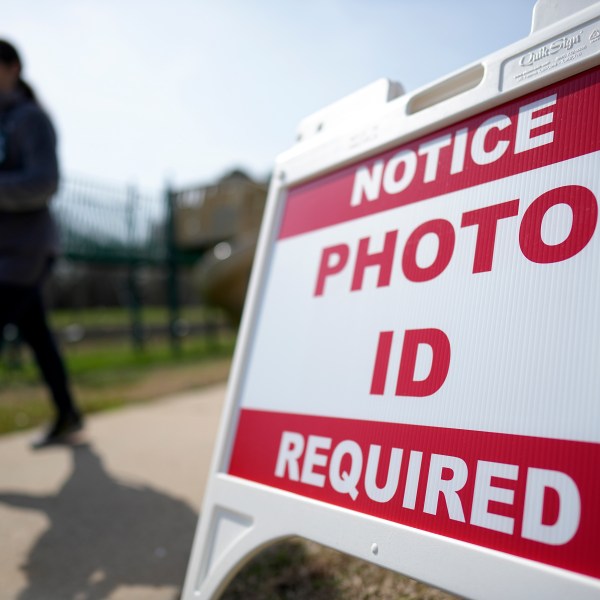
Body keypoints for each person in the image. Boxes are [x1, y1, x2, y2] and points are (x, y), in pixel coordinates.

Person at [0, 39, 83, 447]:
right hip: (5, 253)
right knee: (37, 334)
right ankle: (67, 412)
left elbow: (45, 182)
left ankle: (68, 413)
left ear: (12, 68)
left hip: (25, 251)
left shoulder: (30, 120)